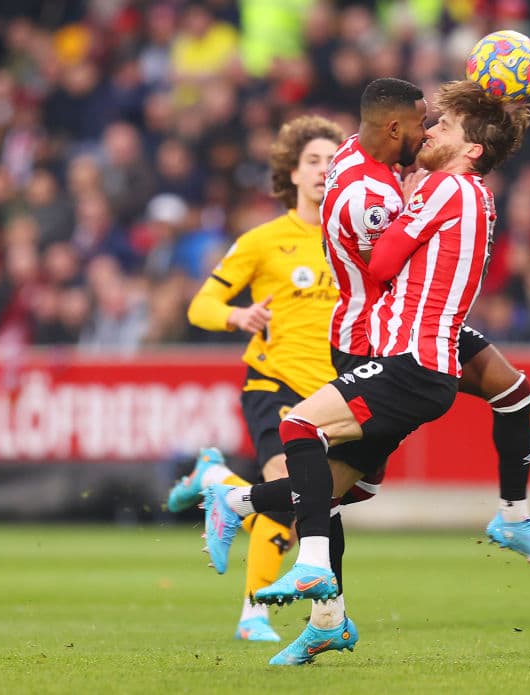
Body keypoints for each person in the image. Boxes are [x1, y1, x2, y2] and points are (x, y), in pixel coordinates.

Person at [203, 80, 530, 666]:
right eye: (424, 122)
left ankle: (297, 550)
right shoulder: (451, 190)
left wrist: (410, 199)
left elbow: (384, 262)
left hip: (399, 353)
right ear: (391, 129)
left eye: (441, 125)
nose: (429, 131)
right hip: (407, 350)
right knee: (340, 485)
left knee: (301, 431)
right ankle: (322, 614)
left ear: (470, 149)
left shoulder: (428, 184)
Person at [172, 115, 383, 641]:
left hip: (334, 392)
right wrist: (237, 316)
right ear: (292, 172)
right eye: (312, 161)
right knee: (294, 491)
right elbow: (201, 305)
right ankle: (254, 616)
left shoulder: (359, 240)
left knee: (310, 501)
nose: (323, 169)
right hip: (276, 384)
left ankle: (217, 483)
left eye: (333, 161)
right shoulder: (263, 241)